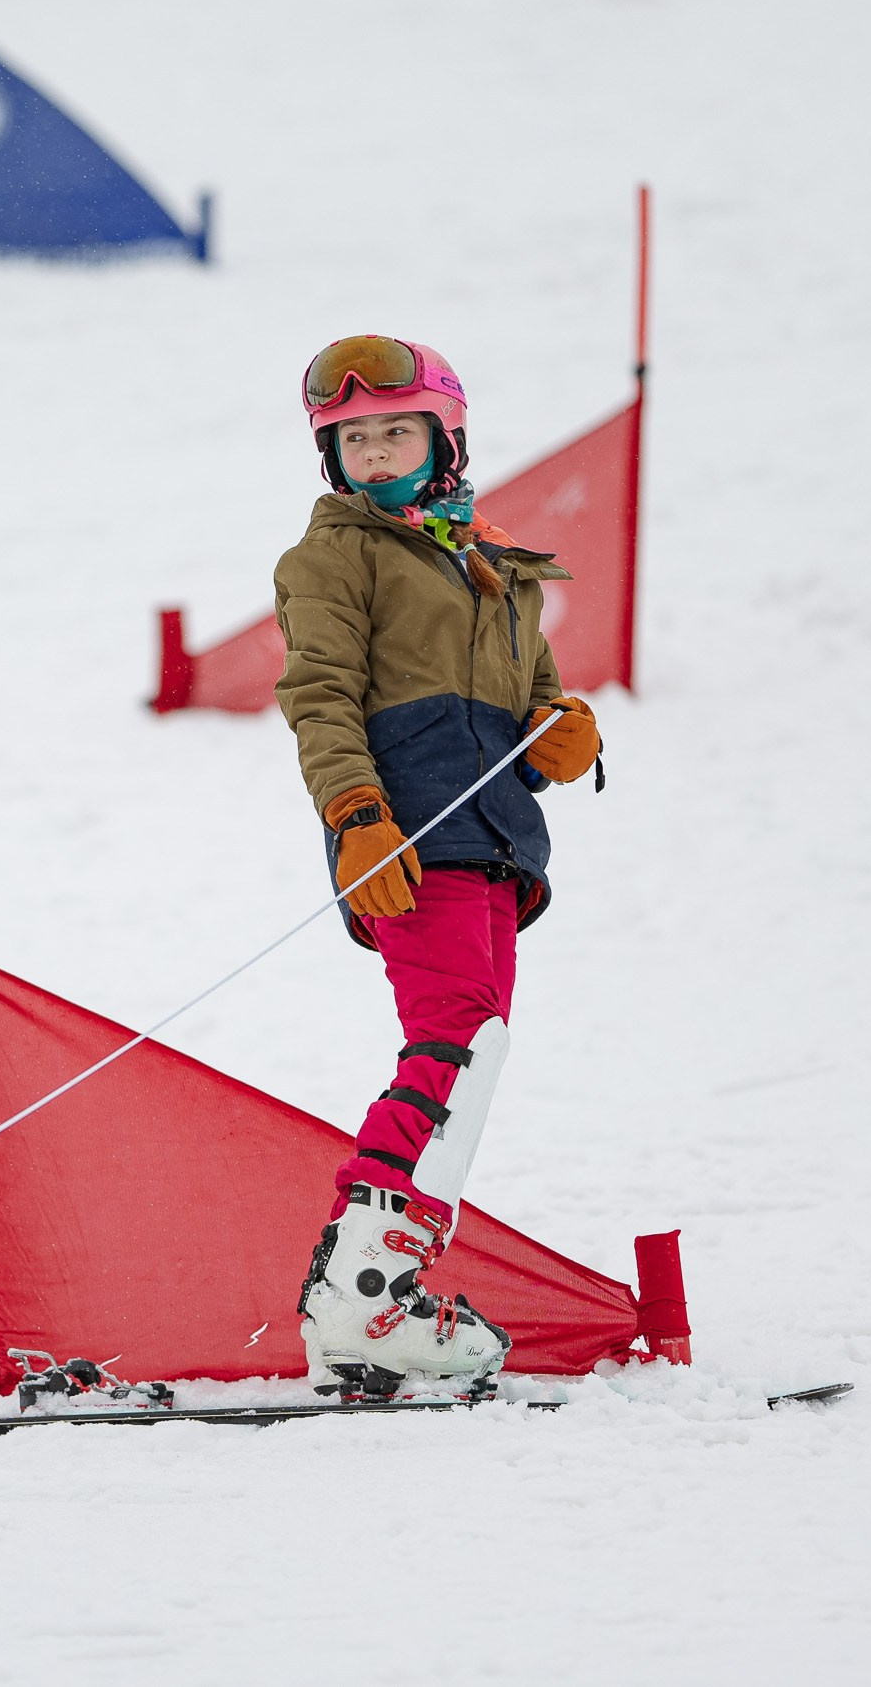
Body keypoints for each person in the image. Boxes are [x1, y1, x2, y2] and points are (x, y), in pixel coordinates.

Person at [276, 335, 604, 1396]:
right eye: (352, 439)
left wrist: (563, 733)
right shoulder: (334, 557)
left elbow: (534, 696)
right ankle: (361, 1300)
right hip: (407, 839)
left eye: (394, 431)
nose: (374, 453)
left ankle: (387, 1290)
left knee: (475, 1050)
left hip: (499, 839)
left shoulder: (493, 564)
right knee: (451, 1044)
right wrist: (359, 815)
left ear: (444, 439)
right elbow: (319, 696)